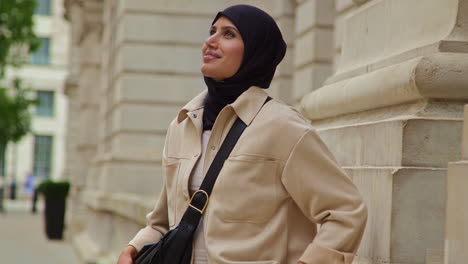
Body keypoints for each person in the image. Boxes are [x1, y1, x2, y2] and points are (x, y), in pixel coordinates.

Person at [117, 5, 367, 264]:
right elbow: (163, 221)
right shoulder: (182, 124)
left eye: (229, 34)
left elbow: (345, 212)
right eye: (212, 31)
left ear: (255, 52)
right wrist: (132, 249)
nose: (211, 41)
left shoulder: (282, 126)